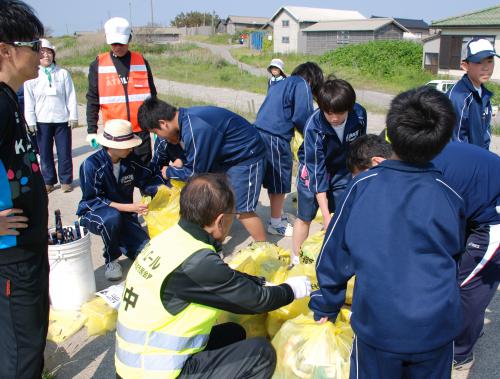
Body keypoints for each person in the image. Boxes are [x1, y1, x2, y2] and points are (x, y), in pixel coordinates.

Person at [310, 86, 466, 379]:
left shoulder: (363, 185)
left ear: (389, 135)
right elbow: (453, 255)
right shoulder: (447, 194)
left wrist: (327, 304)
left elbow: (335, 253)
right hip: (435, 328)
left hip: (379, 327)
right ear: (443, 143)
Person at [115, 173, 311, 378]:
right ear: (220, 221)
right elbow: (256, 301)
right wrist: (291, 289)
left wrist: (260, 282)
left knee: (234, 333)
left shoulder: (169, 239)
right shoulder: (196, 261)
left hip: (139, 362)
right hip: (155, 372)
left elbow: (227, 278)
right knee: (261, 354)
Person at [348, 134, 500, 371]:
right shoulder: (406, 158)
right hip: (472, 204)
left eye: (367, 178)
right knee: (453, 277)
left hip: (493, 214)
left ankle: (459, 354)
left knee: (463, 288)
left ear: (377, 162)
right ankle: (466, 330)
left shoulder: (417, 170)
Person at [0, 1, 50, 377]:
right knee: (22, 351)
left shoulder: (10, 99)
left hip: (26, 249)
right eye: (33, 44)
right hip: (12, 257)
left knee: (29, 341)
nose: (41, 52)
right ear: (5, 50)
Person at [139, 97, 268, 242]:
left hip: (245, 155)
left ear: (163, 124)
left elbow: (195, 173)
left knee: (242, 210)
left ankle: (264, 249)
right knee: (221, 201)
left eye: (155, 132)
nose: (159, 137)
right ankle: (217, 242)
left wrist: (169, 172)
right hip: (224, 157)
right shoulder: (185, 122)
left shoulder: (196, 127)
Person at [77, 119, 165, 281]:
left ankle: (122, 242)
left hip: (125, 215)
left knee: (146, 251)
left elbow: (147, 177)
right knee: (111, 218)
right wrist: (131, 207)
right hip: (95, 213)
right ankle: (111, 259)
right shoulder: (90, 165)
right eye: (127, 145)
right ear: (111, 145)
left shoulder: (130, 160)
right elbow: (93, 200)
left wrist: (164, 183)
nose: (131, 148)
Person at [292, 78, 366, 262]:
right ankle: (296, 258)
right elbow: (317, 172)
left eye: (340, 113)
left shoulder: (359, 115)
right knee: (305, 216)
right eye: (329, 113)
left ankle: (340, 257)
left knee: (343, 214)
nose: (334, 118)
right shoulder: (314, 126)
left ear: (350, 106)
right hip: (313, 170)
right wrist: (325, 216)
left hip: (342, 169)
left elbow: (359, 150)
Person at [254, 62, 323, 237]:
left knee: (270, 178)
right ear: (312, 80)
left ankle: (276, 216)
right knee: (279, 178)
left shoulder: (281, 82)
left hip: (258, 131)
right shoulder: (302, 84)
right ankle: (276, 223)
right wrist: (313, 134)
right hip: (275, 135)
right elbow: (303, 116)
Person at [86, 17, 157, 164]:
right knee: (118, 181)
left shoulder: (142, 62)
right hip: (114, 136)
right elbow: (92, 99)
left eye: (121, 43)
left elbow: (152, 97)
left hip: (140, 132)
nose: (117, 47)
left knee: (145, 177)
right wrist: (91, 130)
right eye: (113, 43)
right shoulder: (98, 65)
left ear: (129, 38)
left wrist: (155, 125)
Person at [24, 38, 78, 193]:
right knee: (45, 153)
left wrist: (73, 115)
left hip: (61, 120)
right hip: (42, 121)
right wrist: (30, 121)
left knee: (64, 152)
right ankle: (48, 180)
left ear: (54, 54)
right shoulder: (32, 76)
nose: (46, 56)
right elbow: (29, 101)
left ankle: (66, 180)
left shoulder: (63, 74)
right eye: (42, 53)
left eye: (49, 52)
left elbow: (71, 96)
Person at [447, 38, 498, 150]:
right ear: (465, 66)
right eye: (479, 62)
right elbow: (457, 142)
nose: (486, 67)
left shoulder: (484, 94)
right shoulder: (458, 96)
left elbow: (485, 134)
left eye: (489, 61)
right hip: (462, 163)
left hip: (478, 160)